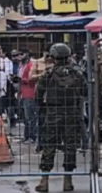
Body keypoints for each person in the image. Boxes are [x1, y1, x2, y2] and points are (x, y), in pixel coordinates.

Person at [35, 43, 87, 193]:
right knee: (70, 146)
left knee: (49, 145)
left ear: (53, 56)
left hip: (53, 112)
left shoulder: (48, 73)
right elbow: (84, 90)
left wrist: (43, 107)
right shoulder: (77, 73)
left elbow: (38, 94)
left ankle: (44, 181)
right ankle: (68, 181)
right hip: (72, 112)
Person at [19, 51, 39, 144]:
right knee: (25, 117)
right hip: (23, 93)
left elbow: (32, 78)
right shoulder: (22, 66)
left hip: (29, 93)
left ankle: (32, 136)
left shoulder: (30, 65)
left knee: (30, 116)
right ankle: (26, 136)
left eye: (21, 54)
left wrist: (22, 80)